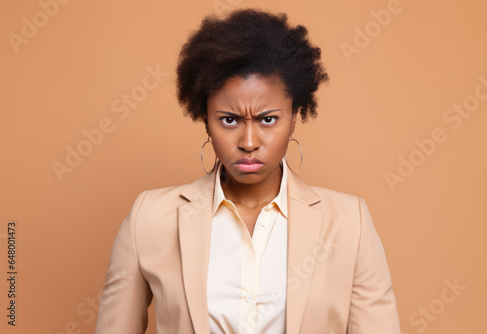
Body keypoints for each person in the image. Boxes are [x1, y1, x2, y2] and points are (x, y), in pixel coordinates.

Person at [95, 8, 401, 334]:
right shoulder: (150, 218)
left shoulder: (349, 224)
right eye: (229, 120)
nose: (249, 142)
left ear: (295, 116)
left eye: (268, 119)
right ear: (206, 120)